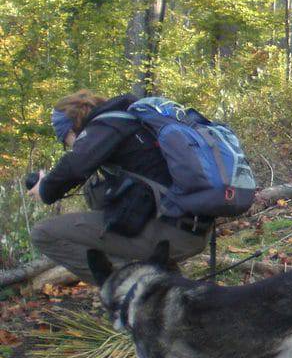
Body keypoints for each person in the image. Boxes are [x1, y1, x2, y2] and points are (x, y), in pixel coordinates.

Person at [28, 90, 211, 285]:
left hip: (173, 232)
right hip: (191, 228)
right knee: (104, 207)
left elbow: (74, 166)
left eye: (65, 141)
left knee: (43, 233)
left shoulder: (106, 126)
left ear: (72, 130)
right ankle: (164, 291)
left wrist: (45, 188)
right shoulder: (130, 121)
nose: (70, 146)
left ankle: (126, 290)